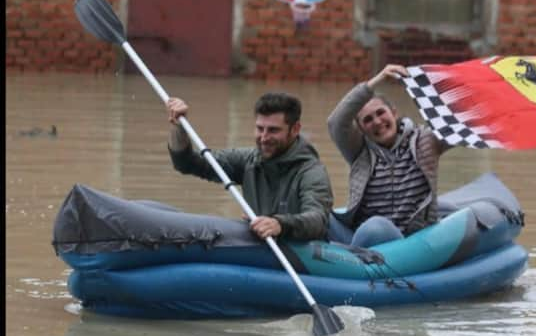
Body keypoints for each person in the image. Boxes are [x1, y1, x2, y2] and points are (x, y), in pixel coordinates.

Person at [164, 92, 333, 242]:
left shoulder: (312, 172)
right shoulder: (248, 160)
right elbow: (187, 164)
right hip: (259, 247)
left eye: (273, 130)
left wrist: (280, 224)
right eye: (260, 129)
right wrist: (179, 126)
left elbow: (318, 220)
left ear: (295, 129)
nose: (264, 138)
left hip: (302, 254)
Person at [326, 64, 451, 248]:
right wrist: (378, 80)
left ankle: (348, 263)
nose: (377, 122)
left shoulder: (425, 140)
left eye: (380, 113)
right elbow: (336, 122)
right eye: (367, 120)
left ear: (394, 113)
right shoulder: (359, 151)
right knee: (318, 214)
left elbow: (458, 126)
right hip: (361, 239)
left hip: (407, 242)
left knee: (376, 227)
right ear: (360, 129)